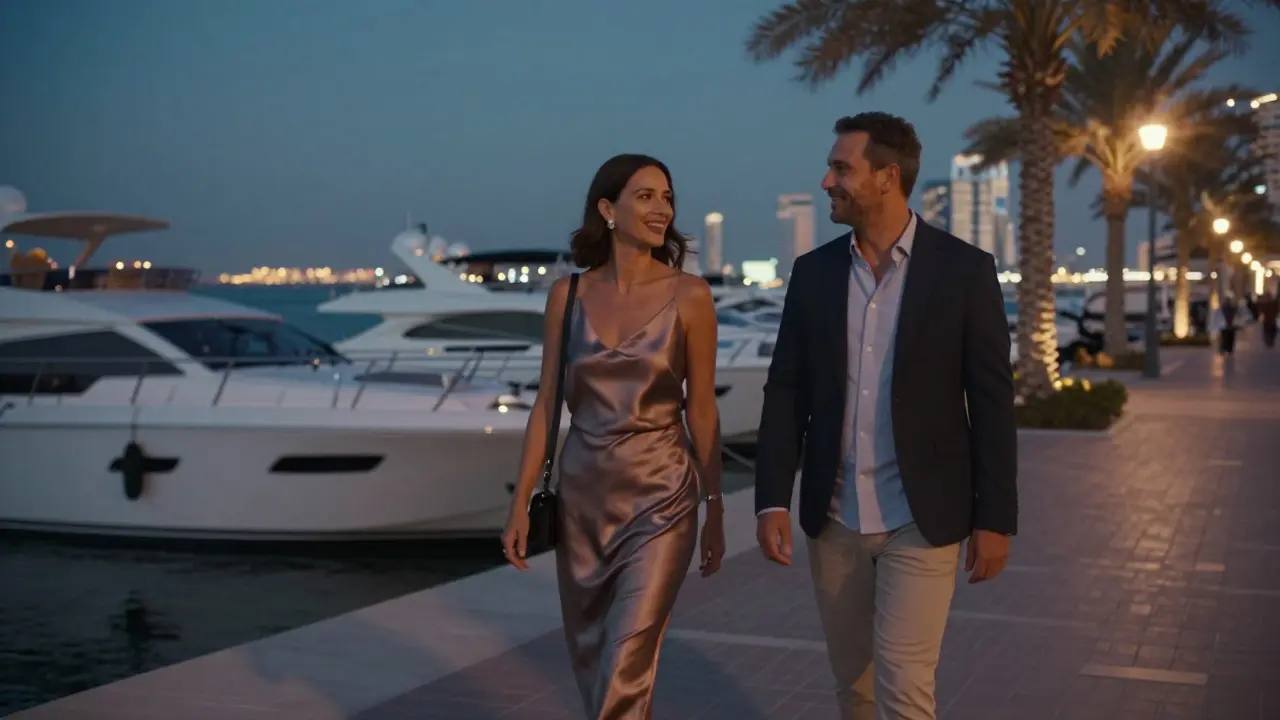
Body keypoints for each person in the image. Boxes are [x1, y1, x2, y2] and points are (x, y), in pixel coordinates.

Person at [755, 112, 1018, 720]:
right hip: (834, 518)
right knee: (856, 689)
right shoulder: (814, 273)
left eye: (841, 168)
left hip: (922, 521)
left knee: (905, 689)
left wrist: (996, 517)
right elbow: (786, 391)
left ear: (887, 177)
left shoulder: (964, 271)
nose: (827, 181)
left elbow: (992, 401)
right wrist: (771, 498)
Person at [501, 154, 726, 719]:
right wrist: (521, 500)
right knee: (594, 659)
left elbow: (701, 410)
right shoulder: (567, 296)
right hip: (583, 502)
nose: (662, 208)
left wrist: (716, 503)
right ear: (608, 209)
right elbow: (548, 403)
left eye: (667, 197)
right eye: (646, 195)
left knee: (627, 663)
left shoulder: (691, 295)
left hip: (662, 498)